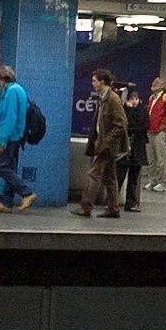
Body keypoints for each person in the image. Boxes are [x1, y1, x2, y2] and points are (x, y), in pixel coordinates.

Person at [74, 68, 126, 218]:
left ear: (102, 82)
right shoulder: (103, 98)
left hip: (106, 146)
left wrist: (106, 142)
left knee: (94, 174)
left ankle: (86, 207)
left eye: (94, 81)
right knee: (109, 177)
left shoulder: (113, 99)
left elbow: (121, 124)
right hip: (103, 143)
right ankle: (113, 208)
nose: (92, 83)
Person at [0, 64, 36, 211]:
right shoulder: (16, 90)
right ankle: (6, 202)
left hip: (11, 137)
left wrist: (1, 141)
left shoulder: (11, 92)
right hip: (16, 137)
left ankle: (26, 193)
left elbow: (9, 118)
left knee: (0, 167)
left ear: (3, 78)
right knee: (10, 168)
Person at [120, 83, 148, 211]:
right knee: (119, 175)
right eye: (132, 99)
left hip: (137, 147)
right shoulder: (124, 110)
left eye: (136, 99)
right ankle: (114, 201)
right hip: (126, 147)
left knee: (134, 177)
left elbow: (141, 125)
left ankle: (130, 202)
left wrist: (130, 114)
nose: (134, 101)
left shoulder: (143, 110)